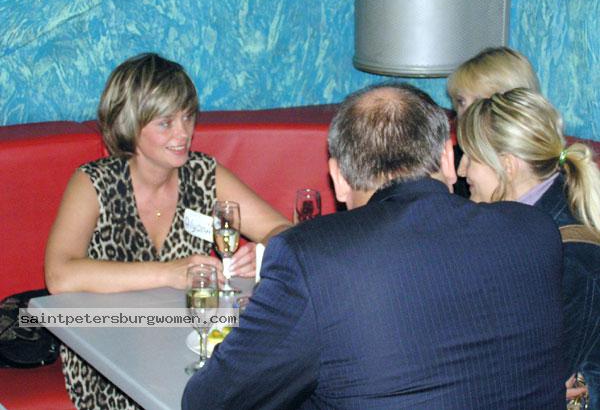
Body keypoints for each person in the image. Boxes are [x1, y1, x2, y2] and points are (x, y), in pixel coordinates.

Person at [182, 83, 566, 409]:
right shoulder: (535, 231)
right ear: (448, 160)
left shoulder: (312, 258)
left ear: (339, 178)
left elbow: (210, 400)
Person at [44, 53, 291, 409]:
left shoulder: (203, 173)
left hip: (185, 343)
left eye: (187, 116)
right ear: (130, 125)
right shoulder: (94, 183)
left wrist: (262, 251)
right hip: (112, 350)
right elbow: (59, 275)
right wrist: (168, 273)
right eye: (166, 123)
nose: (183, 133)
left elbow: (281, 230)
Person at [456, 88, 600, 408]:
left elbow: (536, 381)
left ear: (507, 165)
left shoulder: (571, 259)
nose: (461, 171)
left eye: (471, 158)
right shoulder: (521, 224)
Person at [447, 46, 541, 197]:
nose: (466, 114)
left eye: (479, 103)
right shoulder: (452, 161)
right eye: (461, 101)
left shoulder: (541, 170)